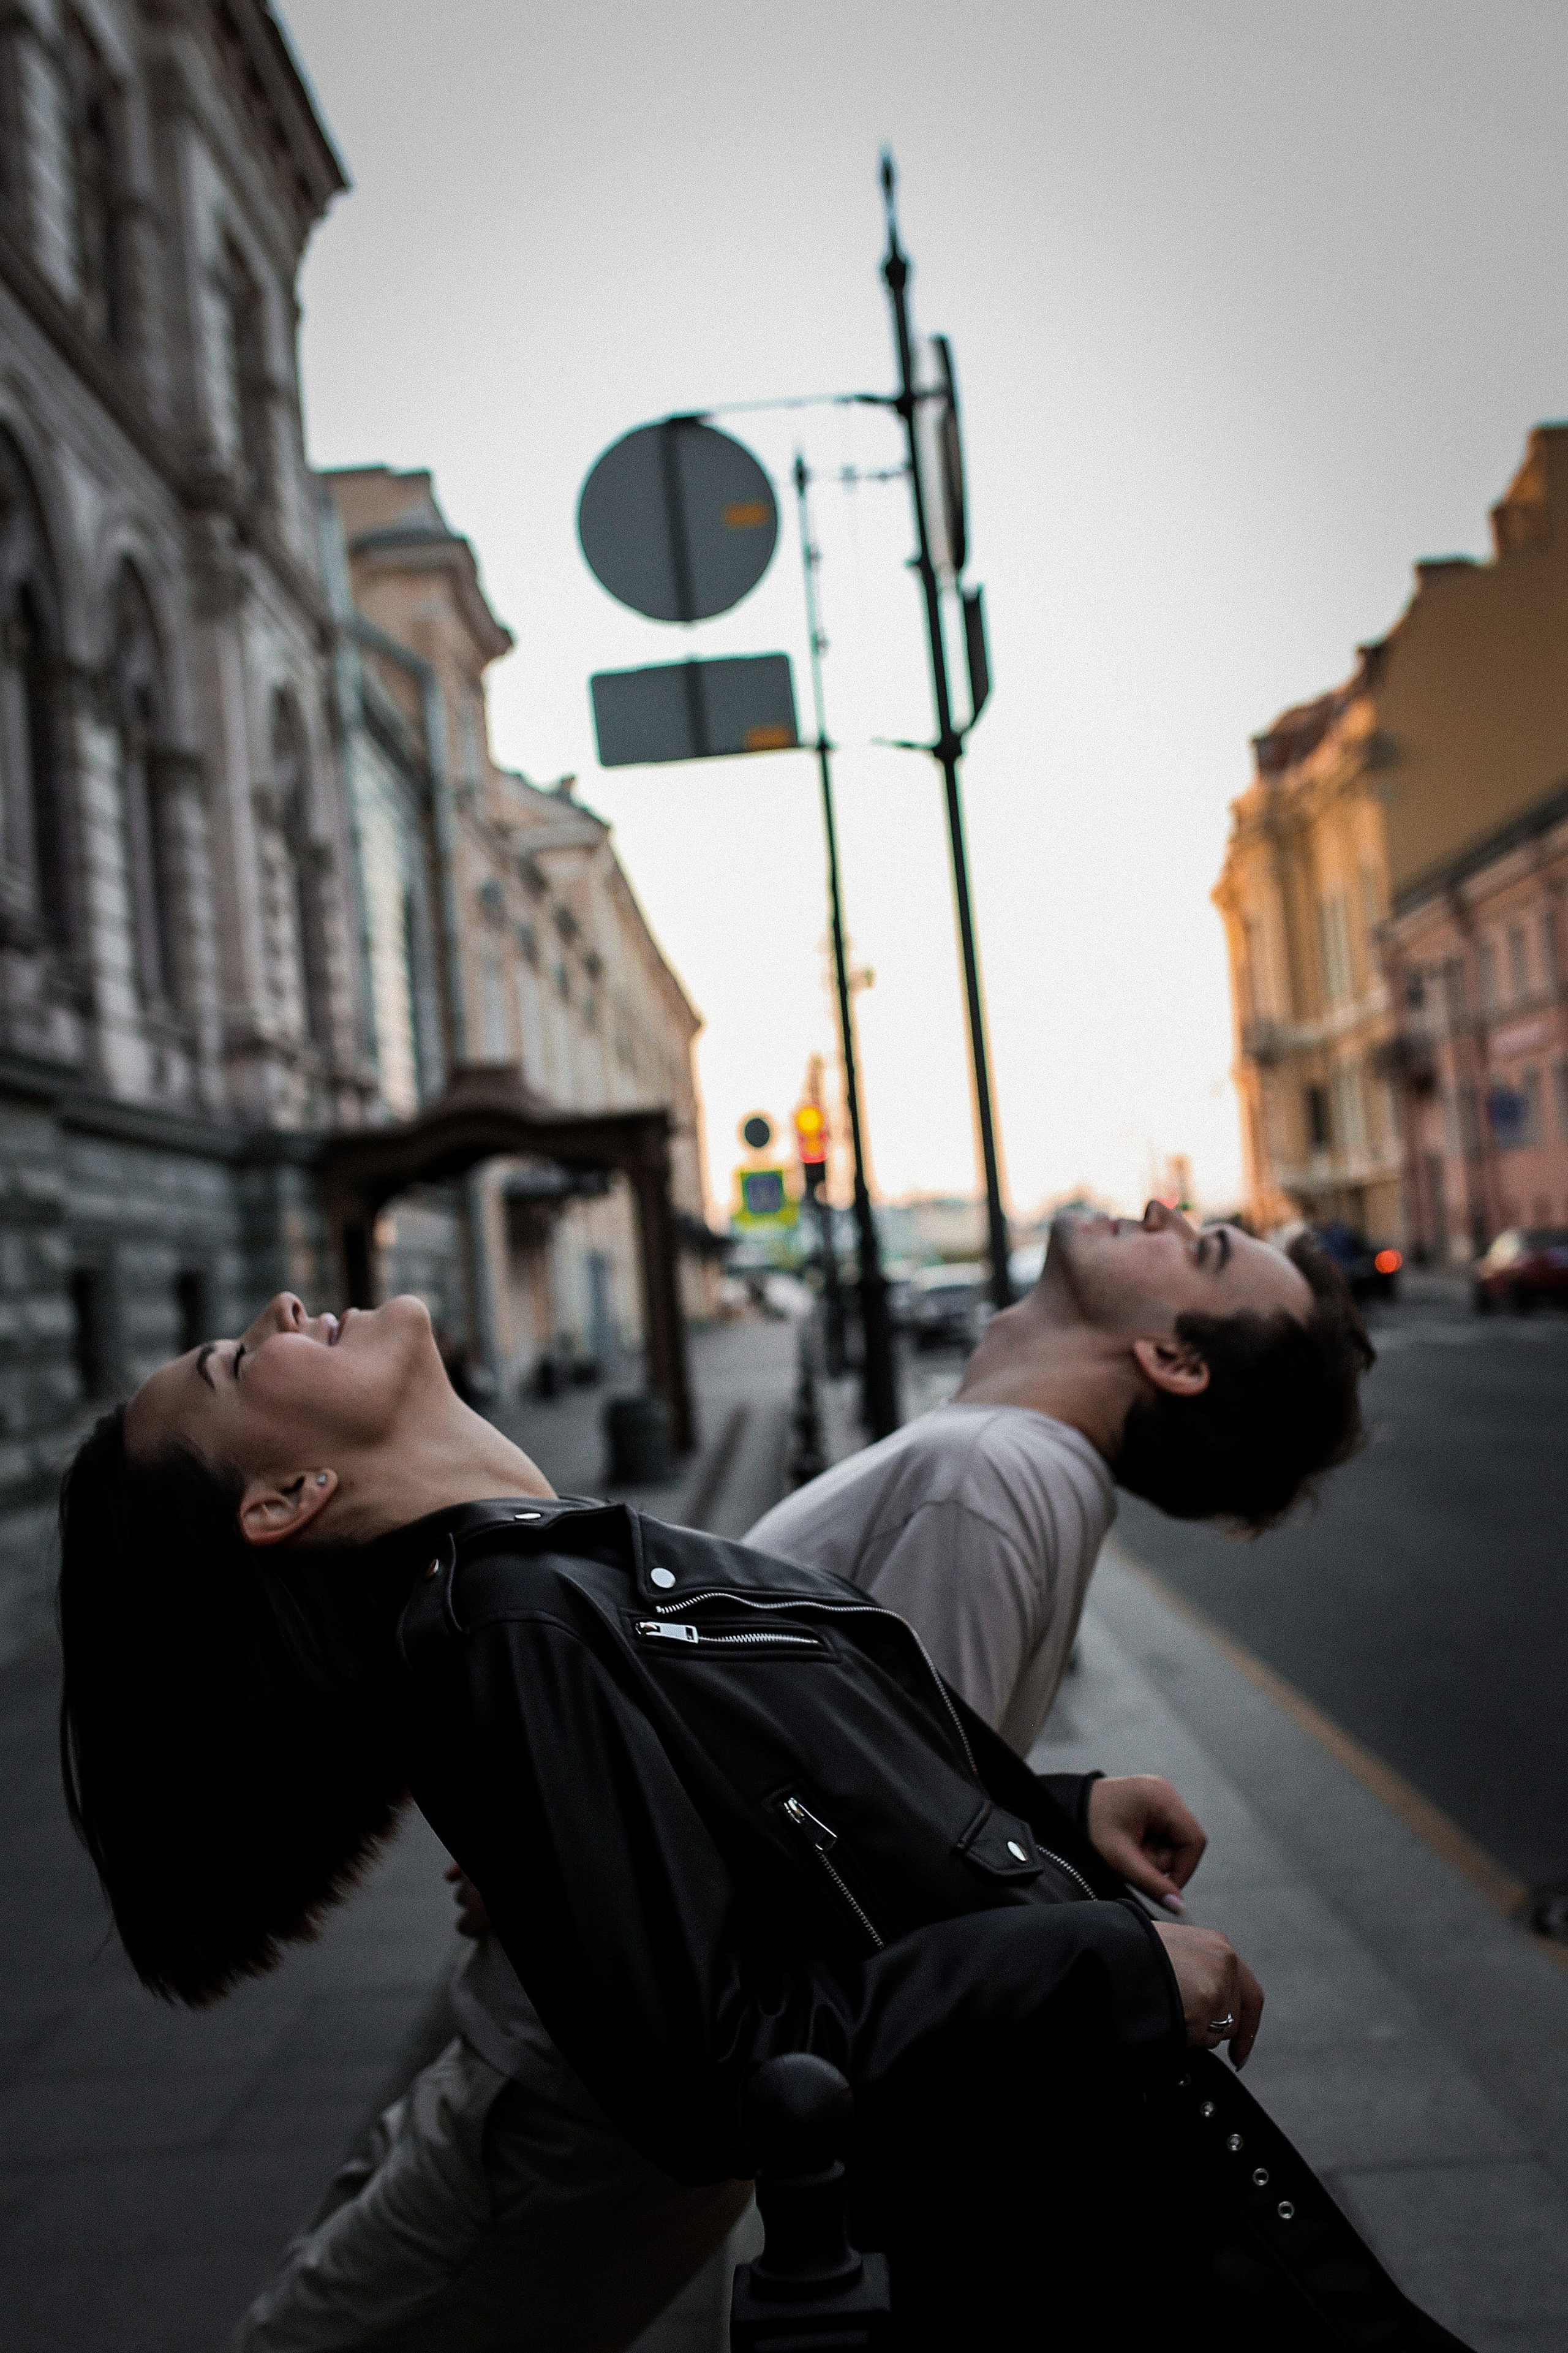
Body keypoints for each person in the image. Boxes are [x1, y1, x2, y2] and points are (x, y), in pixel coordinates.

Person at [57, 1287, 1460, 2349]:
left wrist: (1049, 1808)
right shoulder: (510, 1619)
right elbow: (719, 2063)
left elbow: (783, 1796)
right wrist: (1106, 1966)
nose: (279, 1309)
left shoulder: (543, 1567)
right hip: (525, 2165)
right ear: (288, 1495)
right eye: (234, 1363)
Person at [749, 1199, 1373, 1775]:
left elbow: (886, 1820)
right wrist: (1067, 1812)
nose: (1162, 1211)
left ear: (1175, 1359)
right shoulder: (1014, 1475)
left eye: (1200, 1250)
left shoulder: (983, 1481)